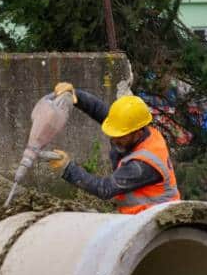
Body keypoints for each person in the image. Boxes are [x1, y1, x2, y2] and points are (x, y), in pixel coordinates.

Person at [46, 82, 180, 214]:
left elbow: (104, 189)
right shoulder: (136, 128)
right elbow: (98, 110)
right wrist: (75, 96)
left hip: (155, 222)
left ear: (137, 132)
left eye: (120, 136)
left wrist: (68, 168)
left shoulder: (142, 165)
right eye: (113, 134)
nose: (114, 140)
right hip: (137, 216)